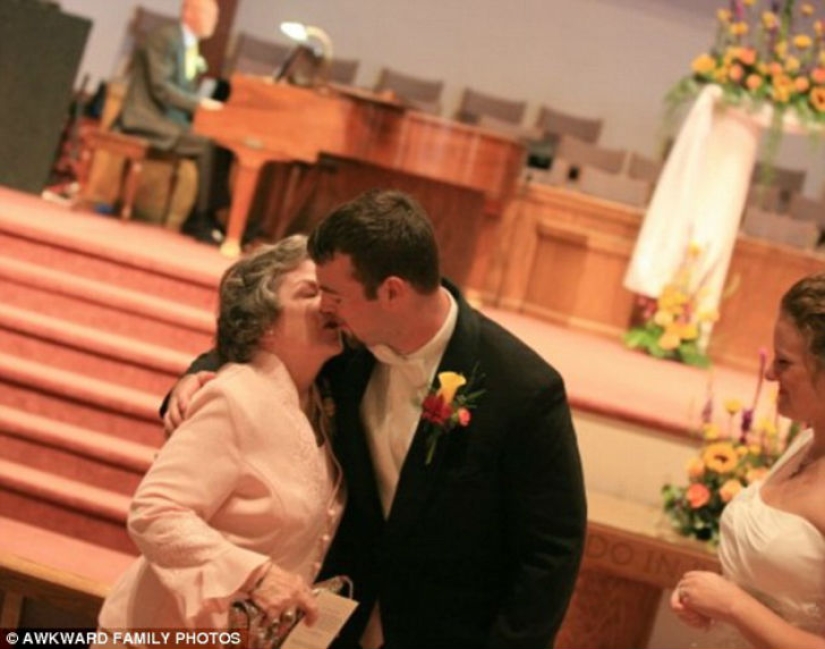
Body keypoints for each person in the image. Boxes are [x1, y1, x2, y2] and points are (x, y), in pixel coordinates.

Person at [165, 189, 588, 649]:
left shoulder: (523, 388)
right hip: (332, 622)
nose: (325, 308)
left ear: (391, 291)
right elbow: (266, 341)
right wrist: (201, 371)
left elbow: (552, 550)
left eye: (335, 294)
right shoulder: (346, 345)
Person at [98, 236, 345, 643]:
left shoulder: (321, 403)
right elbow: (154, 512)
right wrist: (256, 574)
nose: (330, 304)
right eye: (310, 292)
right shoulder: (233, 398)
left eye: (332, 292)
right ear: (265, 323)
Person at [670, 272, 825, 648]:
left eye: (784, 362)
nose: (770, 373)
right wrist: (714, 597)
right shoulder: (805, 443)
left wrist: (734, 605)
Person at [116, 0, 230, 244]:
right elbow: (161, 88)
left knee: (220, 144)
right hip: (146, 117)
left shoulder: (191, 47)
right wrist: (199, 105)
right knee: (206, 145)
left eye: (216, 15)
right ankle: (199, 218)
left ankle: (210, 214)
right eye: (209, 14)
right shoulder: (164, 38)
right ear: (188, 12)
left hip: (171, 118)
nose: (214, 21)